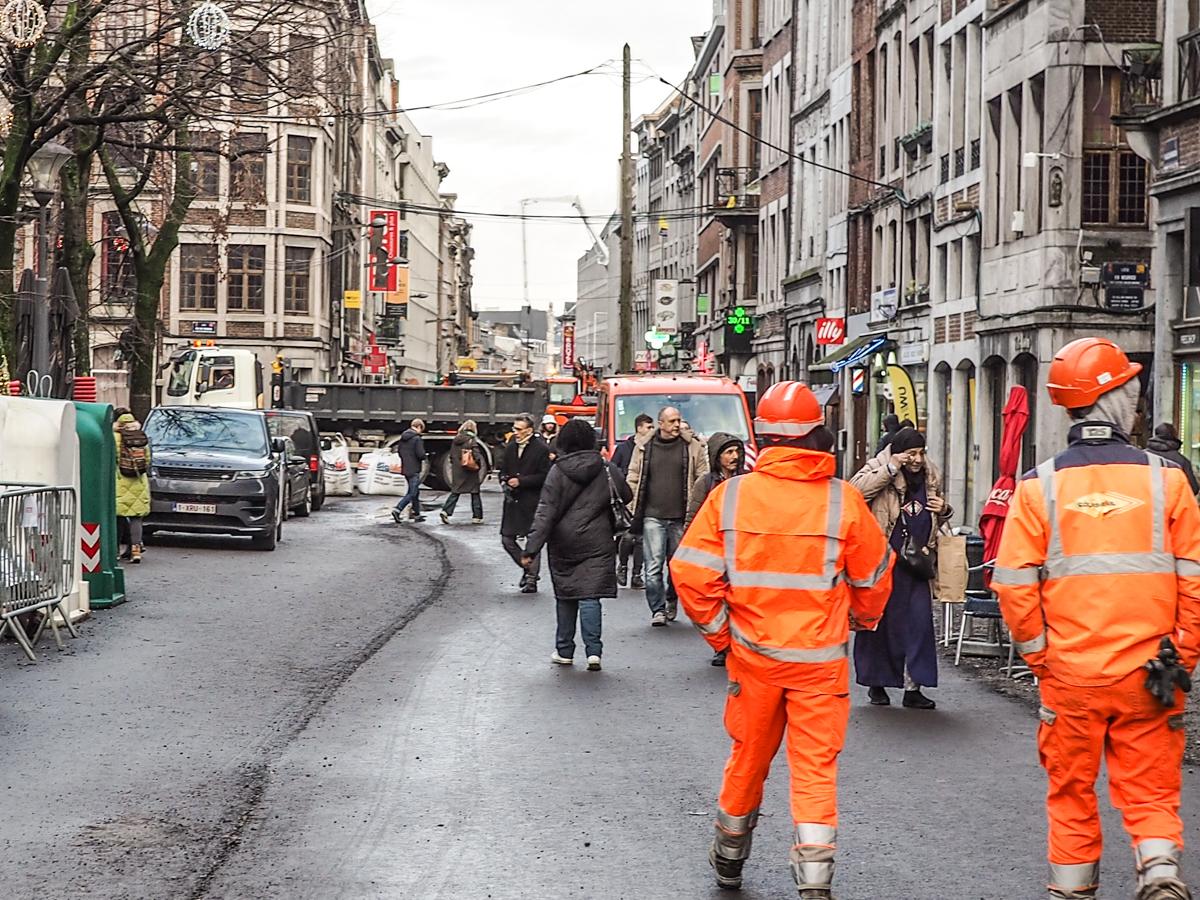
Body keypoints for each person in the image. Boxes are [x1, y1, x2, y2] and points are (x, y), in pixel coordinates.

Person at [993, 337, 1200, 900]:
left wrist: (1042, 658)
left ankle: (1073, 889)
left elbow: (1012, 586)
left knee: (1071, 792)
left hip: (1072, 676)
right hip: (1152, 674)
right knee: (1152, 790)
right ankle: (1158, 870)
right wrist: (1181, 652)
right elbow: (1195, 581)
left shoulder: (1039, 488)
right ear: (1119, 396)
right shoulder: (1168, 480)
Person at [670, 381, 893, 899]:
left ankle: (729, 856)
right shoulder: (843, 501)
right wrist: (859, 619)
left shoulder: (731, 498)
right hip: (819, 664)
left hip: (754, 660)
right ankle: (814, 877)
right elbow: (876, 577)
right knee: (815, 768)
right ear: (819, 435)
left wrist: (723, 638)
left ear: (762, 438)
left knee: (747, 758)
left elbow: (692, 576)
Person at [849, 427, 951, 709]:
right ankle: (876, 683)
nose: (917, 460)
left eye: (921, 453)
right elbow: (855, 492)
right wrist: (891, 468)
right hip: (883, 561)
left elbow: (933, 516)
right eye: (911, 453)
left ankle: (913, 686)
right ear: (898, 452)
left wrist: (944, 510)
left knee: (918, 624)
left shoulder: (931, 475)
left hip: (917, 563)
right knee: (878, 624)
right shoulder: (878, 467)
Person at [522, 418, 631, 671]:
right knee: (590, 596)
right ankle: (594, 653)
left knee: (566, 594)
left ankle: (565, 650)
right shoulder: (605, 467)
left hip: (563, 542)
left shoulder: (558, 471)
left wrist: (531, 548)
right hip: (598, 541)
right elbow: (626, 495)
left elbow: (545, 512)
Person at [626, 405, 709, 626]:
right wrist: (632, 503)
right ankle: (658, 609)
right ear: (660, 423)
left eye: (678, 421)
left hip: (681, 517)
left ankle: (671, 599)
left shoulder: (692, 446)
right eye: (671, 421)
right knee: (653, 567)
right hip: (652, 516)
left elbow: (703, 477)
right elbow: (633, 476)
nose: (676, 425)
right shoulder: (645, 446)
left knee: (677, 566)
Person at [685, 431, 747, 667]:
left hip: (743, 549)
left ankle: (740, 642)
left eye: (737, 451)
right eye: (729, 452)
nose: (734, 456)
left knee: (739, 598)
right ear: (717, 456)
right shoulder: (706, 483)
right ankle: (722, 645)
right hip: (715, 548)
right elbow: (693, 514)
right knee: (718, 597)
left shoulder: (747, 479)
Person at [499, 413, 553, 593]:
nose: (515, 432)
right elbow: (503, 469)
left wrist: (522, 481)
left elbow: (546, 476)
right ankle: (526, 567)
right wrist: (505, 480)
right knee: (507, 539)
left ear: (529, 430)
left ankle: (531, 580)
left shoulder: (541, 449)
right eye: (514, 429)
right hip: (512, 501)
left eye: (519, 429)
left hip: (531, 501)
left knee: (533, 540)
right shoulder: (511, 446)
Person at [612, 413, 654, 588]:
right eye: (648, 427)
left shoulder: (653, 447)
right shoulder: (624, 448)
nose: (651, 430)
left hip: (648, 497)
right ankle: (622, 566)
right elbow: (613, 468)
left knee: (642, 539)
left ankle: (637, 574)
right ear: (639, 428)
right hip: (629, 496)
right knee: (629, 536)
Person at [113, 408, 151, 564]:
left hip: (119, 481)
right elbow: (147, 460)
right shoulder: (141, 436)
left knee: (117, 517)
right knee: (136, 518)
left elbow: (112, 459)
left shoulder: (114, 437)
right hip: (138, 480)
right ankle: (135, 550)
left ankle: (114, 551)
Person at [440, 420, 485, 525]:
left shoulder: (456, 440)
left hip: (458, 471)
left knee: (455, 492)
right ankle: (477, 516)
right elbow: (477, 456)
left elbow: (451, 456)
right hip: (470, 471)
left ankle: (446, 511)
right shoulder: (471, 440)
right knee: (475, 493)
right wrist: (477, 465)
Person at [390, 418, 427, 523]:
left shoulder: (403, 438)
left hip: (406, 467)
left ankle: (417, 514)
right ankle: (398, 509)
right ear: (419, 427)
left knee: (415, 491)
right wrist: (425, 456)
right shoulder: (417, 439)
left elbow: (400, 452)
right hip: (414, 468)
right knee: (412, 492)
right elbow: (420, 454)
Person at [1147, 422, 1200, 496]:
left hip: (1146, 502)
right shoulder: (1182, 461)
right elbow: (1193, 489)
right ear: (1174, 436)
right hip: (1173, 504)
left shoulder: (1142, 456)